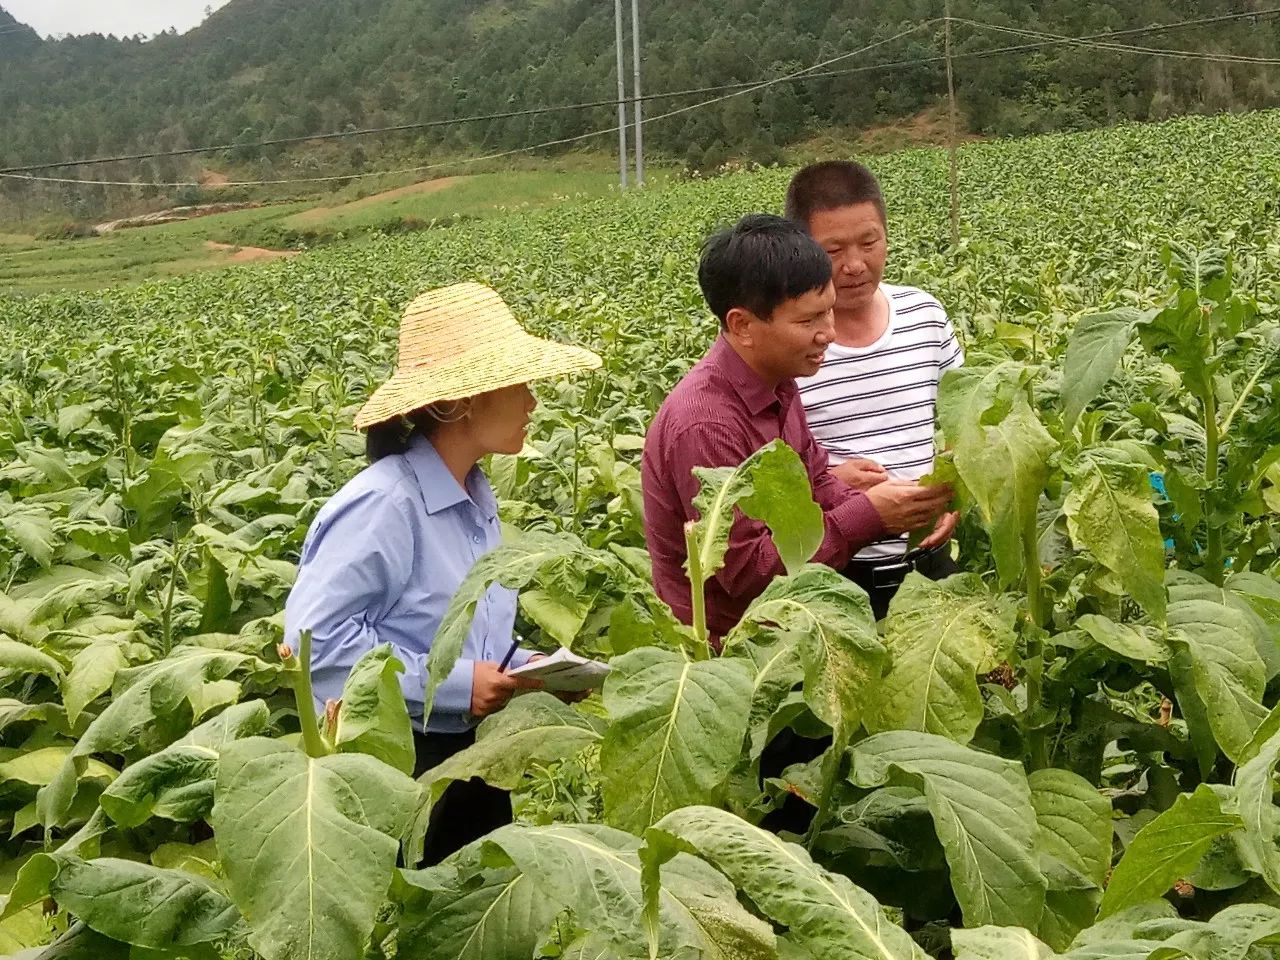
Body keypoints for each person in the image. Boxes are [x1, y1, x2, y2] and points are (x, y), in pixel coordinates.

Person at [283, 282, 601, 864]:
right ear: (462, 401)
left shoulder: (475, 495)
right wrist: (455, 686)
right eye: (518, 382)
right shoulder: (386, 505)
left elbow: (459, 629)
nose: (532, 400)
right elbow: (312, 645)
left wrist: (522, 669)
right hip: (406, 770)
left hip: (473, 758)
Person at [641, 214, 952, 642]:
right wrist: (868, 515)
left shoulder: (778, 382)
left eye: (828, 313)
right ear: (742, 325)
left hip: (785, 632)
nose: (828, 333)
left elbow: (814, 480)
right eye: (808, 322)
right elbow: (749, 572)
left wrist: (903, 507)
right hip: (728, 654)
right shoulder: (706, 423)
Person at [786, 161, 965, 619]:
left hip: (929, 564)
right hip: (832, 577)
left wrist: (955, 490)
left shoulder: (924, 315)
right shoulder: (788, 348)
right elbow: (763, 472)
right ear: (802, 251)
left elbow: (969, 420)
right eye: (833, 250)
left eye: (870, 243)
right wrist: (827, 486)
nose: (855, 265)